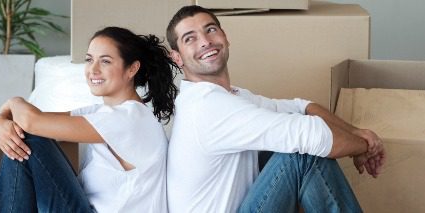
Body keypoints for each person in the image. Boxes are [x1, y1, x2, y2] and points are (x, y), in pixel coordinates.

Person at [165, 5, 386, 213]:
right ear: (177, 57)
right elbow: (313, 134)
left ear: (225, 37)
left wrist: (355, 132)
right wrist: (364, 146)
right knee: (302, 156)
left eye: (210, 30)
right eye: (190, 39)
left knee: (295, 144)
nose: (205, 42)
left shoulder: (230, 96)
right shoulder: (208, 106)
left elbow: (302, 107)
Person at [0, 26, 179, 212]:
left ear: (132, 69)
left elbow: (31, 121)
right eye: (89, 60)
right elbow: (29, 119)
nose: (93, 70)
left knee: (28, 138)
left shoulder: (130, 119)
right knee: (21, 137)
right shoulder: (104, 113)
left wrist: (14, 101)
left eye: (105, 61)